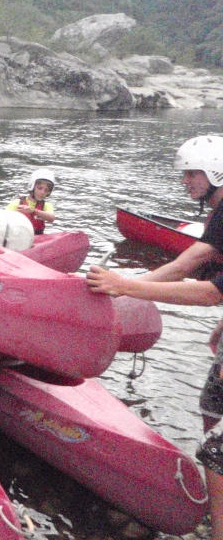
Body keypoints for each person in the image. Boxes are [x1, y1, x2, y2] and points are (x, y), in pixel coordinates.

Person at [87, 134, 223, 540]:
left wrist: (127, 286)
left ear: (216, 171)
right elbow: (190, 261)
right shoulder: (220, 211)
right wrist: (127, 283)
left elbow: (211, 292)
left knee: (215, 452)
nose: (186, 182)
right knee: (210, 408)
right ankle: (215, 502)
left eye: (193, 174)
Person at [6, 168, 56, 235]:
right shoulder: (17, 203)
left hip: (38, 239)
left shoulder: (46, 206)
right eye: (40, 188)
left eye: (46, 190)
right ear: (32, 187)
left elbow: (51, 218)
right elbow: (4, 219)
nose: (42, 192)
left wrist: (34, 211)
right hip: (18, 237)